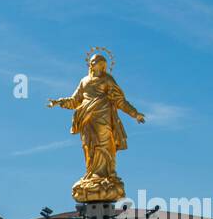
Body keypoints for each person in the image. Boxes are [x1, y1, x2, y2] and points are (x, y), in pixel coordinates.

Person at [47, 52, 145, 204]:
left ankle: (106, 176)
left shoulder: (107, 79)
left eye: (102, 64)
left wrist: (135, 113)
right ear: (91, 64)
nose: (99, 66)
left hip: (103, 118)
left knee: (105, 146)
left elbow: (119, 100)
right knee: (89, 147)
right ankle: (93, 174)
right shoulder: (84, 81)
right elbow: (75, 101)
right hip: (86, 118)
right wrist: (60, 102)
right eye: (97, 63)